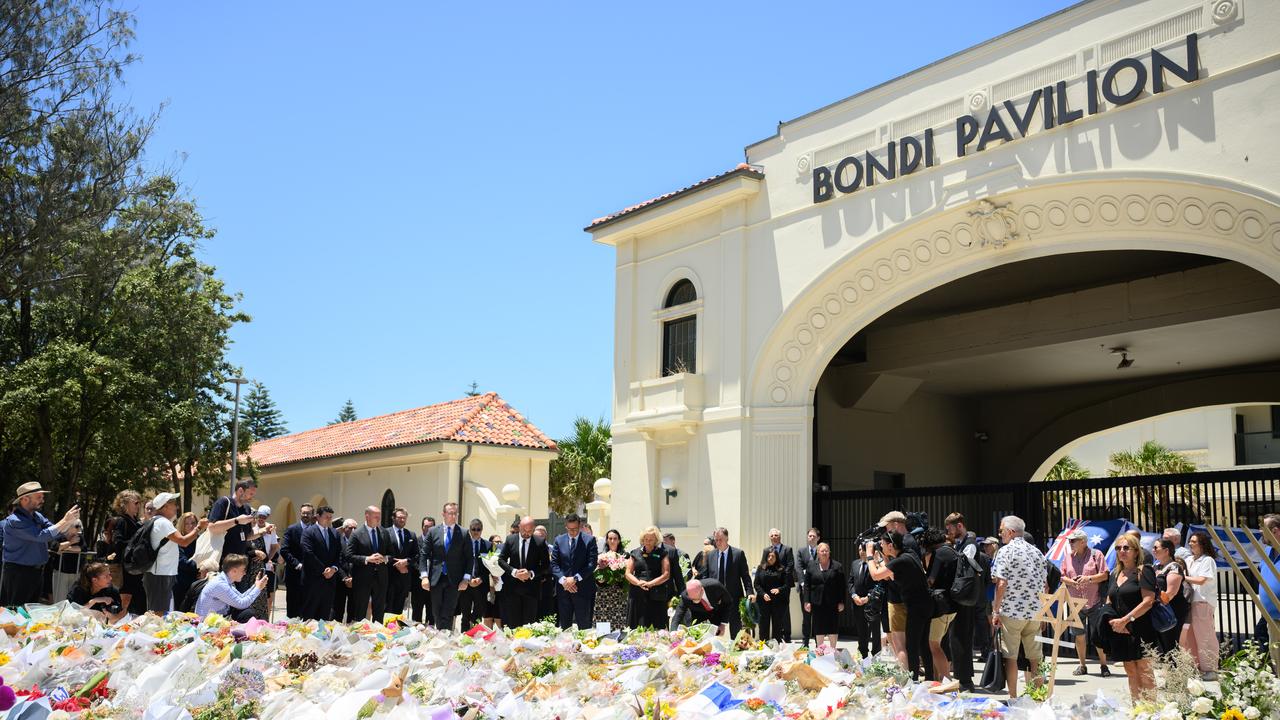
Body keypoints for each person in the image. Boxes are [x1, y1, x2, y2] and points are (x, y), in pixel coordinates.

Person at [990, 515, 1047, 699]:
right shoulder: (1037, 552)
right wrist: (1044, 612)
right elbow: (1045, 586)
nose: (1000, 535)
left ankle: (1013, 697)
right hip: (1034, 611)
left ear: (1010, 532)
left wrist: (995, 610)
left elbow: (1001, 583)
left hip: (1012, 612)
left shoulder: (1005, 552)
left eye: (1001, 531)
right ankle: (1038, 696)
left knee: (1011, 657)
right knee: (1035, 657)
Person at [0, 482, 79, 607]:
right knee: (15, 614)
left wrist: (69, 525)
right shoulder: (14, 521)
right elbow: (42, 536)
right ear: (25, 499)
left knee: (30, 612)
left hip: (35, 572)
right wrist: (65, 520)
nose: (42, 500)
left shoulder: (37, 516)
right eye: (39, 497)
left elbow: (54, 531)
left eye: (42, 497)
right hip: (19, 573)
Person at [868, 530, 932, 680]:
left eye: (883, 545)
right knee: (922, 644)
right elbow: (891, 575)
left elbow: (876, 575)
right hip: (925, 604)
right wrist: (883, 556)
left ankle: (913, 680)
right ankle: (929, 679)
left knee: (912, 646)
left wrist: (870, 554)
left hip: (917, 607)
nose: (881, 546)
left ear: (890, 545)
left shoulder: (901, 561)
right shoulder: (908, 555)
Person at [1105, 533, 1158, 701]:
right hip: (1120, 630)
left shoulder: (1144, 571)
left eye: (1126, 548)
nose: (1122, 551)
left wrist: (1125, 620)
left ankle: (1151, 712)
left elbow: (1148, 601)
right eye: (1118, 548)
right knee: (1130, 671)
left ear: (1136, 551)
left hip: (1140, 628)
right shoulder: (1115, 573)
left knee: (1144, 671)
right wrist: (1110, 619)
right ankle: (1137, 710)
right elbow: (1109, 599)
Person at [143, 492, 206, 614]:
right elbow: (183, 541)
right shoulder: (163, 523)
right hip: (160, 574)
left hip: (158, 574)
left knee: (158, 613)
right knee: (158, 614)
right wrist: (198, 528)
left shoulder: (156, 521)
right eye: (173, 503)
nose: (176, 507)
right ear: (165, 506)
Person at [1061, 528, 1110, 677]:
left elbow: (1105, 575)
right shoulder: (1068, 557)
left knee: (1098, 635)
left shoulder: (1096, 555)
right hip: (1075, 603)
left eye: (1073, 541)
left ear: (1083, 541)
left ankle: (1104, 665)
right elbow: (1062, 576)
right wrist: (1071, 582)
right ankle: (1082, 666)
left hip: (1094, 601)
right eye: (1069, 541)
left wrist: (1088, 579)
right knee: (1079, 636)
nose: (1070, 543)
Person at [419, 502, 475, 632]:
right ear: (443, 514)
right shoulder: (433, 532)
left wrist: (466, 579)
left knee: (448, 612)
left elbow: (469, 558)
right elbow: (423, 555)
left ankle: (445, 638)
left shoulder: (464, 532)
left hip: (455, 580)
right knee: (436, 611)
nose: (453, 516)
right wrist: (424, 576)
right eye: (450, 513)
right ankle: (440, 635)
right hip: (436, 578)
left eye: (456, 513)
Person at [1180, 530, 1219, 679]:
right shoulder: (1190, 559)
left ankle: (1210, 669)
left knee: (1205, 635)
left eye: (1194, 541)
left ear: (1202, 544)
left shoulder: (1207, 560)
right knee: (1189, 637)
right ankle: (1196, 667)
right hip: (1190, 601)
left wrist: (1184, 577)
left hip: (1202, 601)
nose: (1190, 543)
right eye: (1190, 541)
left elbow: (1202, 579)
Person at [499, 516, 548, 628]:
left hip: (531, 591)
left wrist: (531, 573)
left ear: (533, 529)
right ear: (519, 527)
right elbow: (501, 560)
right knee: (513, 625)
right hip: (512, 590)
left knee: (529, 626)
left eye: (530, 531)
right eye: (524, 530)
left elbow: (546, 565)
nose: (526, 533)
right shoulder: (510, 540)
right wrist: (514, 572)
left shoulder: (539, 542)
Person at [550, 513, 597, 629]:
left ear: (580, 526)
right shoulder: (559, 540)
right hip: (564, 590)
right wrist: (564, 580)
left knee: (584, 626)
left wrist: (575, 579)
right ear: (566, 527)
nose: (572, 532)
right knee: (565, 627)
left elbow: (591, 564)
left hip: (583, 590)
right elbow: (554, 564)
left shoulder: (589, 540)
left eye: (575, 529)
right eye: (569, 529)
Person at [344, 506, 392, 622]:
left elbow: (392, 554)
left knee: (379, 612)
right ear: (367, 516)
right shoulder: (357, 534)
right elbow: (348, 556)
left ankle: (377, 636)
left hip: (381, 578)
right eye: (376, 516)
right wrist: (367, 559)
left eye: (379, 516)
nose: (379, 519)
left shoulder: (384, 533)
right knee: (360, 612)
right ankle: (361, 637)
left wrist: (384, 558)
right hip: (363, 579)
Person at [922, 528, 957, 681]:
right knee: (937, 644)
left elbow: (930, 580)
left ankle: (946, 681)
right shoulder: (952, 551)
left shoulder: (939, 553)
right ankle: (937, 681)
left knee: (934, 645)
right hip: (952, 605)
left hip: (940, 607)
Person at [300, 506, 345, 621]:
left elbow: (339, 554)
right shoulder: (308, 532)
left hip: (329, 582)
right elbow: (308, 553)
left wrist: (334, 569)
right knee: (309, 615)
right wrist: (324, 570)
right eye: (326, 517)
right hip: (313, 580)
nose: (329, 520)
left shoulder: (334, 534)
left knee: (325, 616)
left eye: (330, 517)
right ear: (318, 517)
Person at [195, 553, 270, 621]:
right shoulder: (220, 584)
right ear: (234, 571)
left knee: (246, 612)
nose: (244, 573)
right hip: (207, 624)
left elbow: (241, 597)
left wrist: (256, 585)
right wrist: (258, 588)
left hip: (216, 619)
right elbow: (241, 604)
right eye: (243, 570)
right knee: (247, 613)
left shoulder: (224, 580)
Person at [106, 490, 145, 614]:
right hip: (127, 570)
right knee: (126, 605)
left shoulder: (136, 521)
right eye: (136, 502)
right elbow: (118, 543)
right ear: (125, 504)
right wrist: (137, 543)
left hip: (136, 569)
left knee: (137, 603)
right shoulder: (122, 521)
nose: (138, 506)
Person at [625, 526, 672, 629]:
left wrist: (651, 583)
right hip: (637, 593)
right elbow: (628, 573)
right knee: (637, 625)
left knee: (656, 626)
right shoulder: (635, 553)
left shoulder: (662, 553)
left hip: (656, 593)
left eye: (651, 540)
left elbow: (666, 574)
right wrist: (638, 583)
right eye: (646, 539)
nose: (648, 542)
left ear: (656, 540)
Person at [708, 527, 752, 637]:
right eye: (716, 540)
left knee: (736, 630)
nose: (718, 542)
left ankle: (736, 649)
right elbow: (707, 577)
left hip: (734, 598)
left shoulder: (738, 554)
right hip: (716, 600)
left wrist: (750, 592)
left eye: (720, 539)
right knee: (715, 631)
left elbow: (745, 576)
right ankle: (715, 653)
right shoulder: (711, 555)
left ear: (727, 538)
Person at [801, 542, 845, 649]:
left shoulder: (837, 566)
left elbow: (842, 586)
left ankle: (833, 651)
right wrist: (807, 601)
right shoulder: (811, 566)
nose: (824, 553)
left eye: (826, 550)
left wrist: (842, 602)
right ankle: (820, 652)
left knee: (832, 627)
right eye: (822, 551)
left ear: (829, 552)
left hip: (833, 602)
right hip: (817, 602)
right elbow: (807, 585)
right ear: (818, 553)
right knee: (818, 627)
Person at [1152, 537, 1189, 655]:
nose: (1153, 550)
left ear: (1166, 551)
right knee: (1161, 644)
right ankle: (1167, 670)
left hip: (1171, 610)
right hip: (1158, 609)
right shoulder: (1156, 567)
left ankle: (1175, 672)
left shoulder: (1174, 567)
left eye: (1156, 547)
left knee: (1171, 644)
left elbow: (1170, 594)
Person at [758, 528, 795, 642]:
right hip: (768, 587)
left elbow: (790, 565)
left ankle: (786, 635)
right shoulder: (766, 550)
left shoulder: (787, 549)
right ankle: (770, 638)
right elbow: (763, 564)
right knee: (768, 613)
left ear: (780, 537)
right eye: (772, 535)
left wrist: (781, 574)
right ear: (770, 537)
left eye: (776, 535)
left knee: (784, 610)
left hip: (783, 584)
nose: (774, 537)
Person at [279, 503, 315, 620]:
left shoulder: (316, 530)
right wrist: (297, 564)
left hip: (311, 575)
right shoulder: (292, 529)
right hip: (294, 574)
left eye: (308, 513)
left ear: (312, 515)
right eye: (303, 513)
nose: (305, 515)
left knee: (308, 606)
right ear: (300, 513)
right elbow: (284, 550)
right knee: (293, 607)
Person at [848, 542, 882, 659]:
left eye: (863, 549)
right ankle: (863, 656)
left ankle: (876, 656)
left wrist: (868, 597)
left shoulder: (875, 564)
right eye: (859, 549)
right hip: (857, 602)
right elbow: (851, 582)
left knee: (875, 631)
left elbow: (878, 584)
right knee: (861, 631)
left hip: (872, 603)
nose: (861, 552)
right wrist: (854, 595)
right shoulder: (855, 564)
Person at [458, 518, 491, 629]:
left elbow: (491, 566)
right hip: (465, 583)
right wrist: (468, 579)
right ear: (469, 529)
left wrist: (480, 579)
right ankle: (464, 639)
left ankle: (476, 639)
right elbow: (459, 564)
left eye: (478, 529)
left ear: (482, 530)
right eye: (473, 529)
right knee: (465, 615)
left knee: (478, 614)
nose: (476, 531)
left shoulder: (488, 545)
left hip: (481, 585)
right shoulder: (462, 544)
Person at [594, 528, 629, 629]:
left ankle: (618, 641)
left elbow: (628, 573)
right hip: (603, 593)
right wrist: (601, 575)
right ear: (607, 540)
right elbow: (596, 574)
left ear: (619, 540)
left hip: (619, 592)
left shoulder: (625, 556)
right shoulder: (601, 556)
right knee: (603, 619)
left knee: (619, 619)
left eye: (615, 538)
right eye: (610, 538)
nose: (612, 541)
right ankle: (602, 641)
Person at [385, 508, 417, 618]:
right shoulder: (385, 533)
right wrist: (398, 565)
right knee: (387, 610)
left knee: (398, 611)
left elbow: (416, 555)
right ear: (393, 518)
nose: (402, 519)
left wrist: (406, 562)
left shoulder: (411, 535)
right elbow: (382, 553)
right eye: (399, 517)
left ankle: (396, 633)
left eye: (404, 517)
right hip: (389, 577)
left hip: (404, 578)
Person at [247, 506, 278, 619]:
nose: (261, 519)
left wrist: (268, 559)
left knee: (266, 595)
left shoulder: (271, 528)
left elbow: (274, 547)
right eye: (259, 516)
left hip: (264, 565)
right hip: (250, 565)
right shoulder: (251, 527)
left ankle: (264, 619)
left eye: (264, 517)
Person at [754, 548, 790, 642]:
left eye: (773, 556)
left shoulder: (782, 569)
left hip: (778, 602)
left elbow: (787, 585)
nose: (770, 558)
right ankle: (763, 646)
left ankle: (776, 646)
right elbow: (756, 584)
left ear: (776, 557)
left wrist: (779, 589)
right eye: (769, 556)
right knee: (763, 625)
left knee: (777, 626)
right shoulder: (760, 568)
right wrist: (763, 594)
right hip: (763, 601)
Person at [1255, 514, 1280, 649]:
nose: (1260, 532)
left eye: (1263, 529)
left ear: (1275, 531)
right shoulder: (1267, 551)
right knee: (1277, 661)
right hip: (1271, 619)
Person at [797, 527, 821, 646]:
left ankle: (818, 642)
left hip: (817, 589)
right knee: (806, 617)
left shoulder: (821, 551)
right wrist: (802, 583)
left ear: (818, 538)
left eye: (814, 536)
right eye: (810, 536)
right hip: (804, 589)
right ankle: (805, 642)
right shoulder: (801, 551)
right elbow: (799, 568)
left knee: (817, 617)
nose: (811, 538)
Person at [173, 512, 201, 609]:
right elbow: (182, 562)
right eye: (187, 524)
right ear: (182, 525)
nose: (190, 526)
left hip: (198, 581)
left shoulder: (201, 540)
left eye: (193, 523)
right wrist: (200, 567)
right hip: (182, 583)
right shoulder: (178, 540)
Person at [411, 516, 436, 624]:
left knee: (432, 613)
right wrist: (422, 573)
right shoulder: (415, 541)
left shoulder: (438, 543)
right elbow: (412, 560)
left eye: (431, 527)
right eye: (426, 526)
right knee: (417, 612)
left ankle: (431, 638)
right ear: (422, 527)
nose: (428, 529)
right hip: (418, 583)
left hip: (433, 583)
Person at [334, 518, 358, 621]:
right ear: (344, 529)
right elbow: (337, 561)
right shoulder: (337, 542)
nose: (353, 530)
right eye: (350, 528)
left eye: (355, 528)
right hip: (340, 580)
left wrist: (353, 578)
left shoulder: (359, 543)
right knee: (338, 609)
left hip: (355, 580)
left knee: (353, 610)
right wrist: (344, 577)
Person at [534, 524, 556, 621]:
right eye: (537, 536)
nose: (539, 538)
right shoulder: (530, 548)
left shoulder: (552, 548)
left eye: (541, 536)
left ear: (545, 536)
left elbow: (554, 564)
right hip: (533, 581)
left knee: (547, 609)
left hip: (548, 582)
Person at [662, 532, 689, 599]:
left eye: (665, 543)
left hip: (679, 586)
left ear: (673, 541)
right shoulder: (663, 553)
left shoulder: (683, 554)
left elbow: (689, 573)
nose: (664, 545)